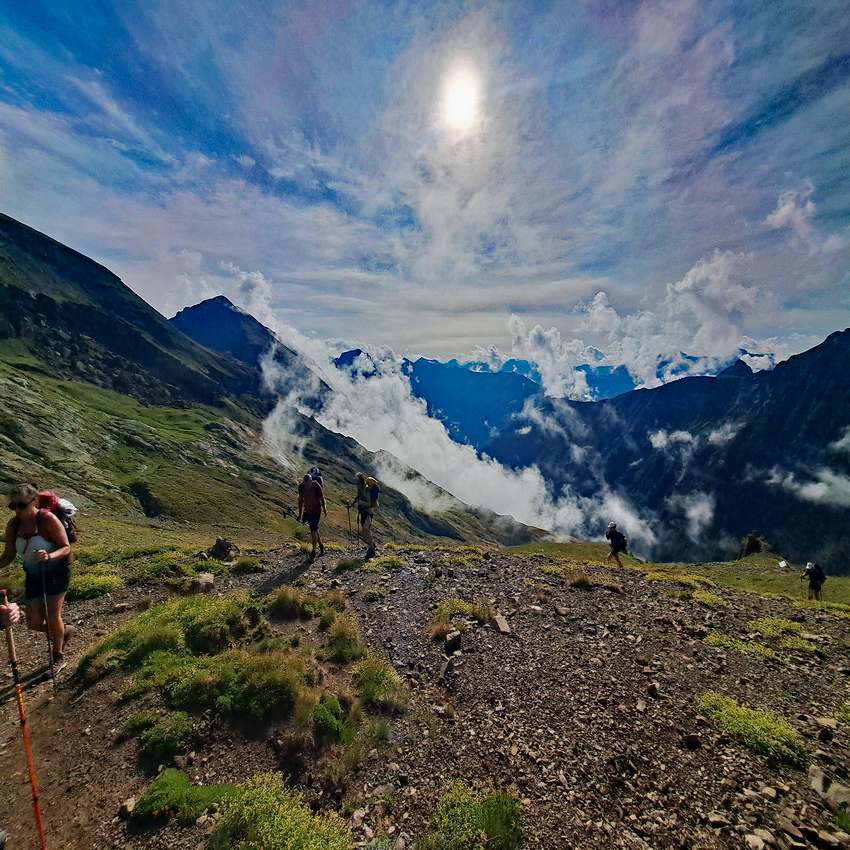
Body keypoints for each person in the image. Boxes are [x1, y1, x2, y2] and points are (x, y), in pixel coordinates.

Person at [0, 483, 75, 671]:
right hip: (33, 573)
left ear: (34, 502)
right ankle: (63, 632)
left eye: (21, 505)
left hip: (57, 570)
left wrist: (49, 556)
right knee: (33, 622)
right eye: (13, 506)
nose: (17, 510)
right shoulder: (13, 525)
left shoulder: (47, 519)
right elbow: (9, 555)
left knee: (52, 614)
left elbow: (65, 547)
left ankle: (58, 656)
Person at [348, 472, 379, 559]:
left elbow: (368, 503)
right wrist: (351, 505)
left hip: (368, 512)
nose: (356, 482)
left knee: (366, 530)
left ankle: (371, 549)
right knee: (364, 532)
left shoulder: (367, 489)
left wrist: (360, 502)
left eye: (357, 480)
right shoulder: (360, 489)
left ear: (360, 481)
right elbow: (357, 497)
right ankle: (371, 545)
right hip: (363, 512)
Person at [297, 472, 327, 560]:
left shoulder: (316, 486)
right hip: (308, 511)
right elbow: (300, 501)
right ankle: (321, 546)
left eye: (308, 484)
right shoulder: (301, 487)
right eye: (305, 484)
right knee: (314, 530)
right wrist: (300, 514)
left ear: (311, 481)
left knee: (313, 531)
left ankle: (313, 551)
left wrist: (325, 510)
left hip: (317, 511)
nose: (307, 486)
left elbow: (322, 499)